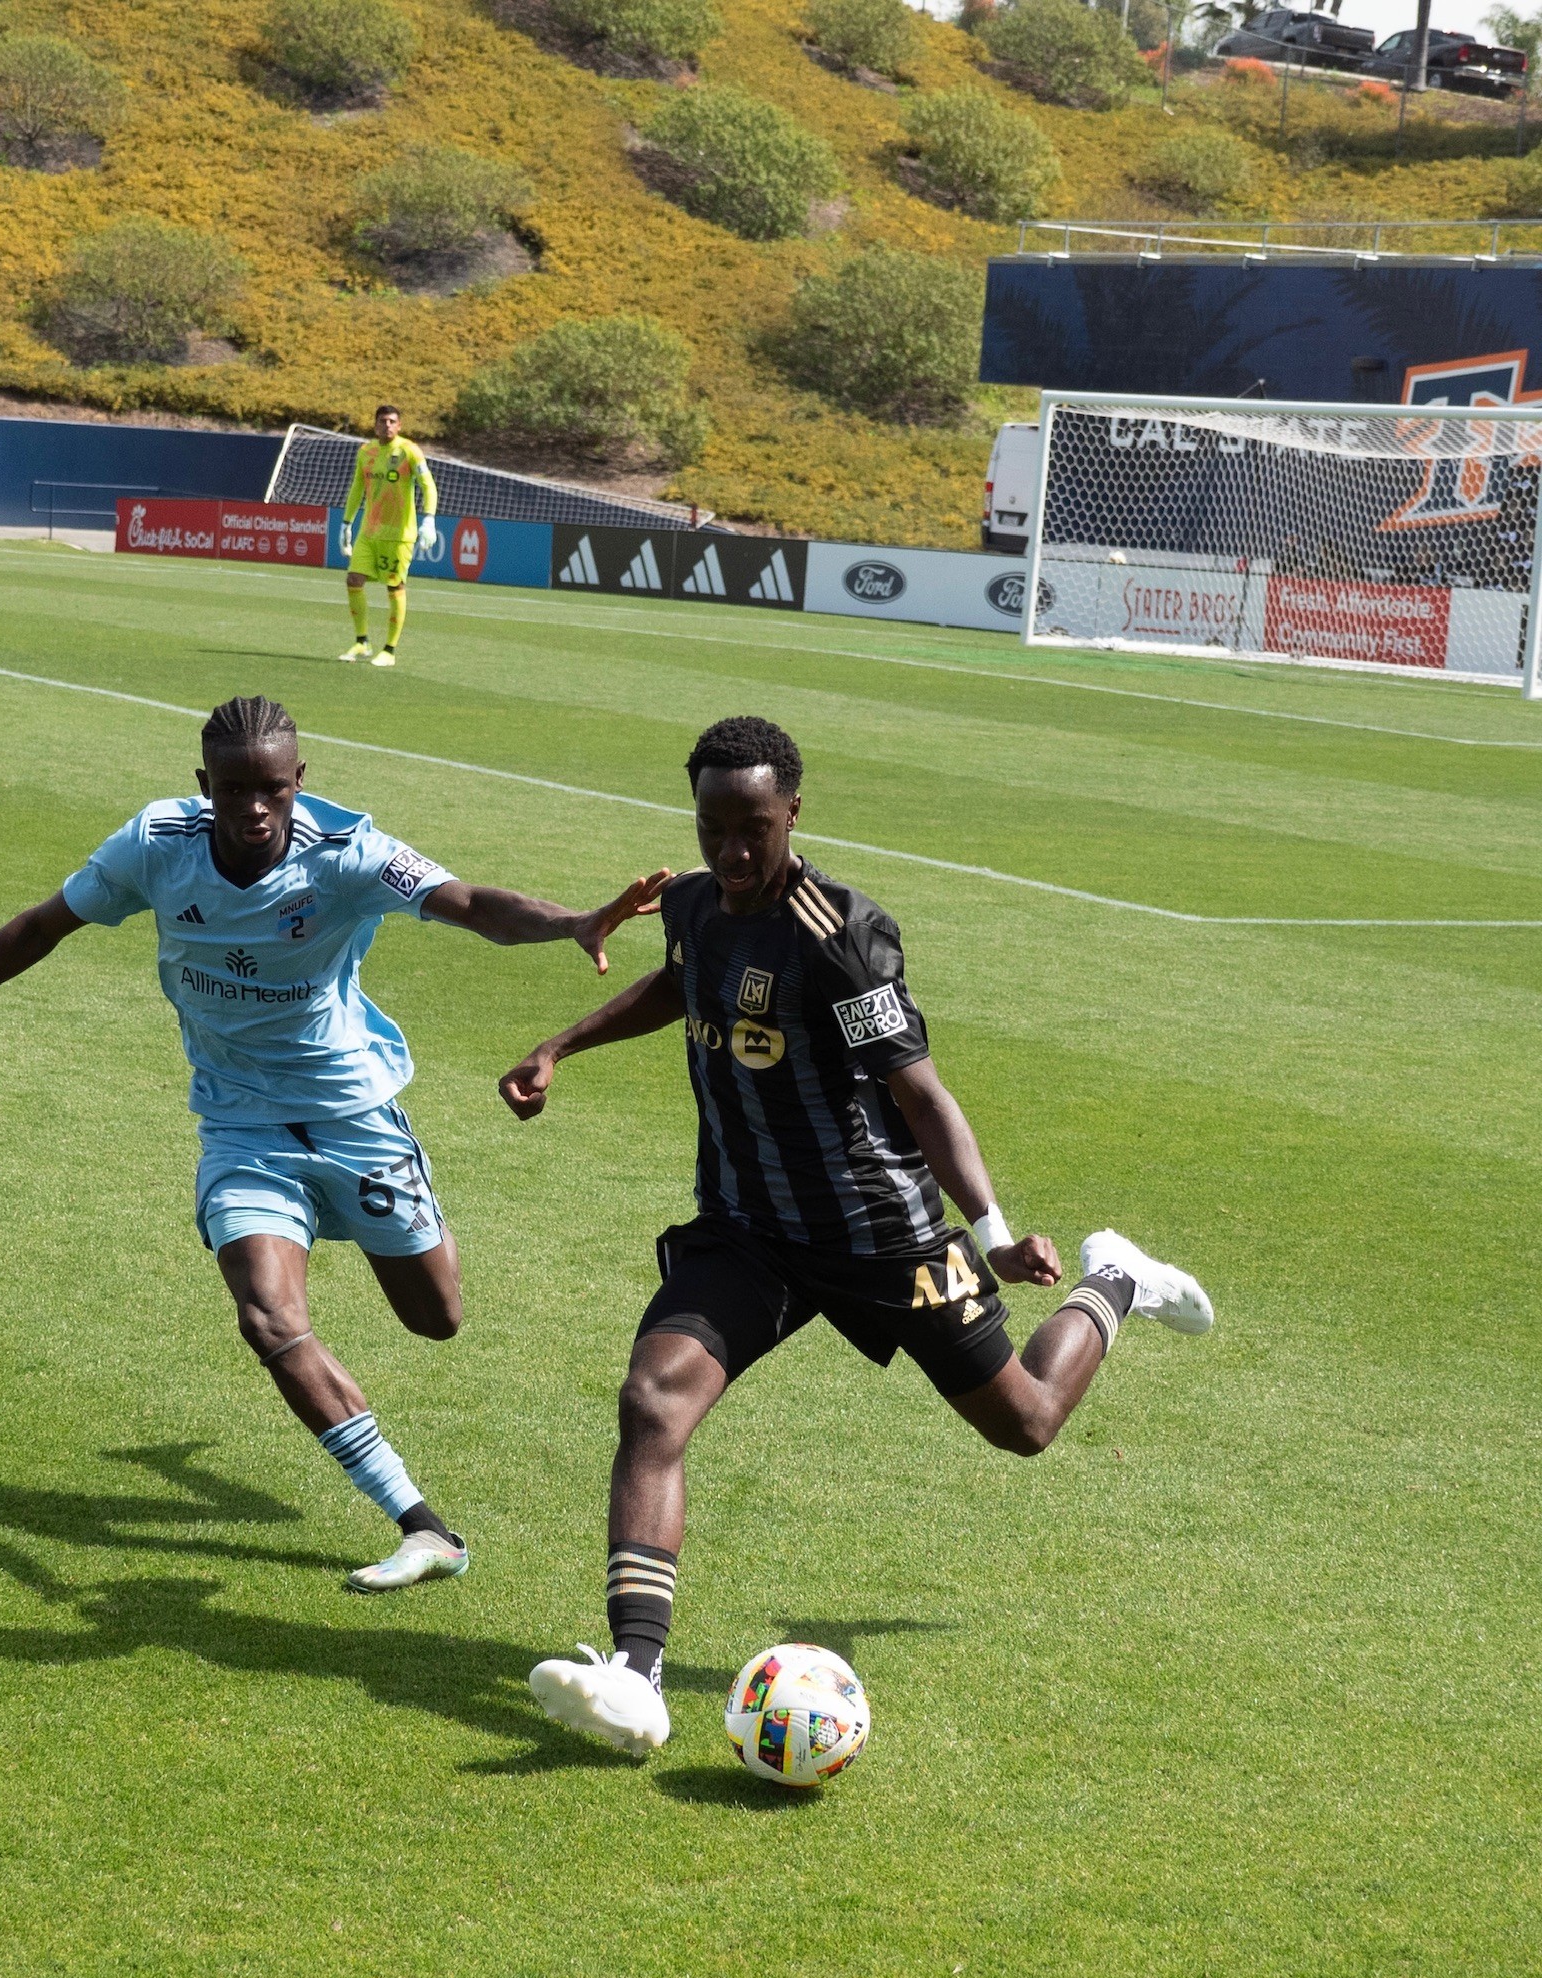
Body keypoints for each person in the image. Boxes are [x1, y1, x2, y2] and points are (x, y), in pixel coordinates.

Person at [502, 716, 1214, 1758]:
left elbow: (919, 1095)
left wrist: (994, 1235)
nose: (732, 853)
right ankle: (636, 1676)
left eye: (753, 828)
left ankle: (1115, 1277)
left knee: (1023, 1420)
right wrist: (560, 1044)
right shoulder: (696, 902)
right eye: (712, 827)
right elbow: (681, 980)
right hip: (746, 1229)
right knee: (652, 1395)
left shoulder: (839, 935)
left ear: (792, 811)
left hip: (880, 1233)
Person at [0, 694, 668, 1592]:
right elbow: (43, 925)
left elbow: (472, 902)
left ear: (300, 784)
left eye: (274, 790)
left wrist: (573, 922)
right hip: (240, 1124)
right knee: (268, 1319)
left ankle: (386, 1228)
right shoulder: (155, 845)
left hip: (354, 1115)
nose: (255, 808)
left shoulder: (349, 855)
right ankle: (423, 1525)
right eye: (235, 789)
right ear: (203, 784)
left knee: (435, 1317)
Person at [338, 404, 437, 670]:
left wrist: (429, 519)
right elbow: (358, 487)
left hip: (398, 535)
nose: (388, 426)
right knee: (353, 579)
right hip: (369, 532)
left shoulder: (409, 451)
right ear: (375, 424)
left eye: (393, 421)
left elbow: (428, 485)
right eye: (383, 421)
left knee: (394, 586)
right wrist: (346, 523)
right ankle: (362, 642)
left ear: (400, 425)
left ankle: (389, 650)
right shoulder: (366, 451)